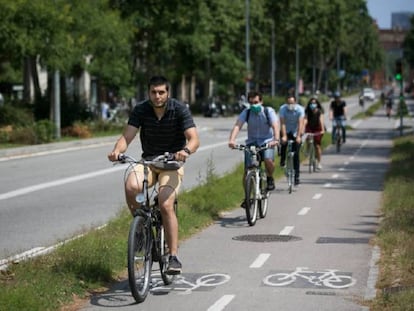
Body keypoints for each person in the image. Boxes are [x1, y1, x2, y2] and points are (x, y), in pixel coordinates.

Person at [107, 75, 200, 275]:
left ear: (168, 93)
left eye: (161, 92)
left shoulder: (179, 109)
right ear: (148, 93)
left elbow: (194, 139)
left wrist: (185, 151)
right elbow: (127, 136)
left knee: (165, 204)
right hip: (148, 161)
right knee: (132, 186)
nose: (157, 96)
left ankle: (173, 256)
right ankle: (142, 229)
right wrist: (117, 151)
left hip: (171, 164)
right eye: (153, 92)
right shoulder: (141, 110)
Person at [228, 91, 280, 200]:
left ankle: (270, 177)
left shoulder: (268, 111)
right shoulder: (246, 112)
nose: (254, 105)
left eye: (256, 102)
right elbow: (238, 126)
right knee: (247, 170)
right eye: (251, 103)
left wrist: (276, 139)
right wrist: (232, 140)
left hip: (267, 142)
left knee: (268, 160)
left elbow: (275, 125)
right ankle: (247, 197)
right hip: (251, 143)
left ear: (261, 101)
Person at [279, 95, 305, 185]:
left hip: (296, 131)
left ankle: (297, 176)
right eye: (289, 103)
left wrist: (298, 136)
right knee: (283, 143)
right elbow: (282, 123)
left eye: (292, 103)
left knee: (296, 155)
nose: (290, 105)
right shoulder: (282, 109)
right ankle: (282, 160)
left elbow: (300, 123)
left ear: (295, 102)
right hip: (286, 130)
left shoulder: (300, 110)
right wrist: (284, 136)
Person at [304, 97, 325, 170]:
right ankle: (308, 150)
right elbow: (305, 120)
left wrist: (322, 130)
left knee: (317, 146)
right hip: (309, 127)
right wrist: (303, 128)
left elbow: (321, 121)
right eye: (311, 103)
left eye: (314, 103)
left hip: (318, 128)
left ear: (317, 104)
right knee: (308, 138)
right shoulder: (307, 111)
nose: (313, 104)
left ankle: (319, 163)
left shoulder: (319, 112)